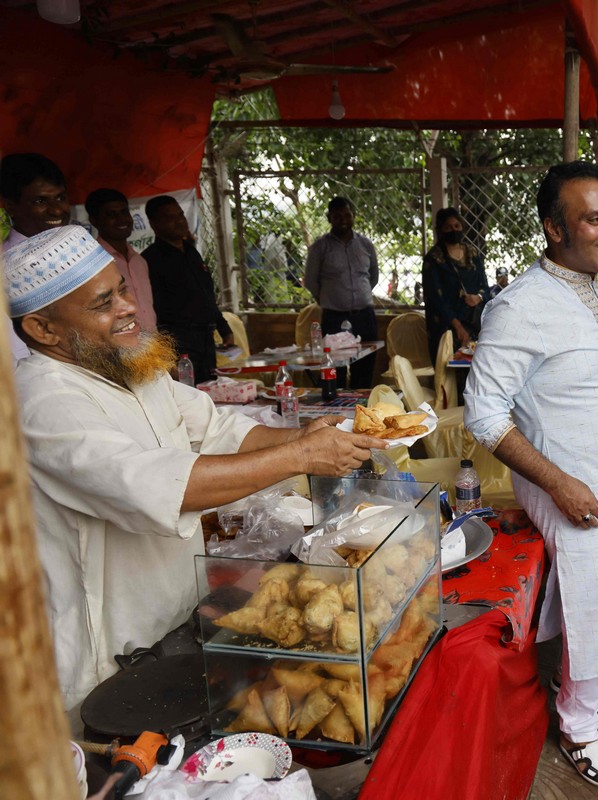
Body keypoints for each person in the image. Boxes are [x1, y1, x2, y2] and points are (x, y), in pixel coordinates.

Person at [6, 226, 388, 713]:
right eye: (103, 303)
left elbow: (219, 430)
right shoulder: (43, 402)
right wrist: (302, 457)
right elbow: (153, 486)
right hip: (106, 649)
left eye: (123, 289)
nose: (127, 307)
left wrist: (306, 437)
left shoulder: (127, 366)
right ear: (43, 330)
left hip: (176, 619)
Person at [464, 161, 598, 790]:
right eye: (592, 219)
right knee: (596, 597)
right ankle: (577, 728)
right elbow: (485, 416)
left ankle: (583, 682)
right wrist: (558, 483)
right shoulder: (520, 306)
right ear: (554, 229)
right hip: (575, 485)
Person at [142, 195, 232, 384]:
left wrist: (225, 330)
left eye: (181, 214)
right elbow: (155, 309)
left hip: (206, 341)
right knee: (188, 396)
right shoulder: (151, 260)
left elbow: (207, 296)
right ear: (154, 224)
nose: (179, 221)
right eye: (170, 217)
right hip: (180, 345)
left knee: (210, 391)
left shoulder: (191, 252)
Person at [1, 152, 71, 364]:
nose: (57, 209)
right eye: (41, 201)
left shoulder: (79, 250)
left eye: (60, 197)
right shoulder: (5, 268)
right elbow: (15, 353)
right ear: (11, 207)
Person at [304, 196, 380, 387]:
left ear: (353, 216)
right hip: (334, 319)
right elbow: (312, 282)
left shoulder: (366, 245)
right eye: (337, 216)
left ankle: (360, 414)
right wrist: (334, 299)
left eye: (347, 215)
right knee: (333, 372)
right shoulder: (320, 247)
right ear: (329, 218)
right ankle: (334, 415)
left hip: (364, 317)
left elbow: (373, 277)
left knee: (364, 372)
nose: (343, 220)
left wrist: (357, 295)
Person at [421, 207, 489, 363]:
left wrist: (477, 298)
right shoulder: (433, 259)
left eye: (457, 226)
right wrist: (457, 326)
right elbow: (436, 299)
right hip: (447, 330)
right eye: (448, 227)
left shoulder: (472, 253)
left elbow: (485, 286)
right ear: (440, 230)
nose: (453, 230)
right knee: (450, 378)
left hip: (475, 325)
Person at [85, 188, 156, 334]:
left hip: (152, 345)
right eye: (112, 214)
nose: (122, 219)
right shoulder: (94, 263)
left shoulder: (140, 261)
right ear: (94, 221)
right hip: (119, 347)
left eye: (124, 212)